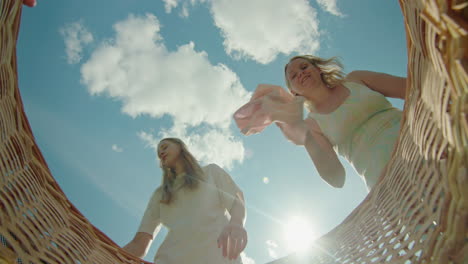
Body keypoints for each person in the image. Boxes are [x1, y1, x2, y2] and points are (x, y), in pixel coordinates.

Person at [234, 55, 406, 191]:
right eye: (293, 76)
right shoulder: (312, 126)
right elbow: (336, 178)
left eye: (304, 67)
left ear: (317, 68)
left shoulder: (356, 80)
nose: (300, 73)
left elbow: (409, 87)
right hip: (390, 185)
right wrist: (302, 132)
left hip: (420, 140)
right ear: (293, 91)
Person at [123, 138, 247, 263]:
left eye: (165, 147)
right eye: (159, 153)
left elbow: (236, 201)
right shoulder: (160, 194)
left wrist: (236, 222)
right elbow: (139, 243)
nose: (161, 153)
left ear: (180, 147)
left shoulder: (211, 172)